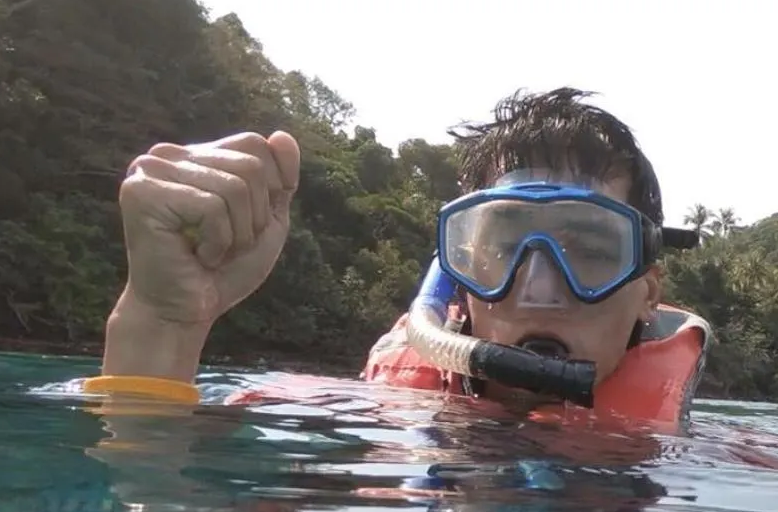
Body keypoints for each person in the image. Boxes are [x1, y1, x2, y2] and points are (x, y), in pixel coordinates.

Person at [84, 87, 711, 431]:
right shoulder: (360, 424)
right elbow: (154, 503)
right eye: (502, 245)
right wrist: (162, 322)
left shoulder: (712, 461)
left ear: (647, 292)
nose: (541, 286)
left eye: (590, 249)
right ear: (459, 278)